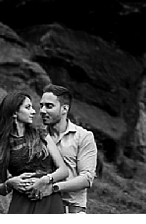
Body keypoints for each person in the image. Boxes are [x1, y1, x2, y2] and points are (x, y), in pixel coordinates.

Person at [0, 91, 70, 214]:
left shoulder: (41, 134)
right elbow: (1, 188)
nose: (34, 112)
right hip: (22, 202)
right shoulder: (2, 146)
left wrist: (45, 180)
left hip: (48, 197)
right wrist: (10, 183)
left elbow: (63, 171)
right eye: (28, 107)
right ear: (14, 113)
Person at [39, 85, 99, 214]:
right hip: (40, 205)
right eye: (41, 106)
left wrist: (54, 187)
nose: (43, 110)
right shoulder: (37, 137)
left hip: (71, 208)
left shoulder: (83, 136)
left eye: (49, 106)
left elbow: (87, 178)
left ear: (64, 109)